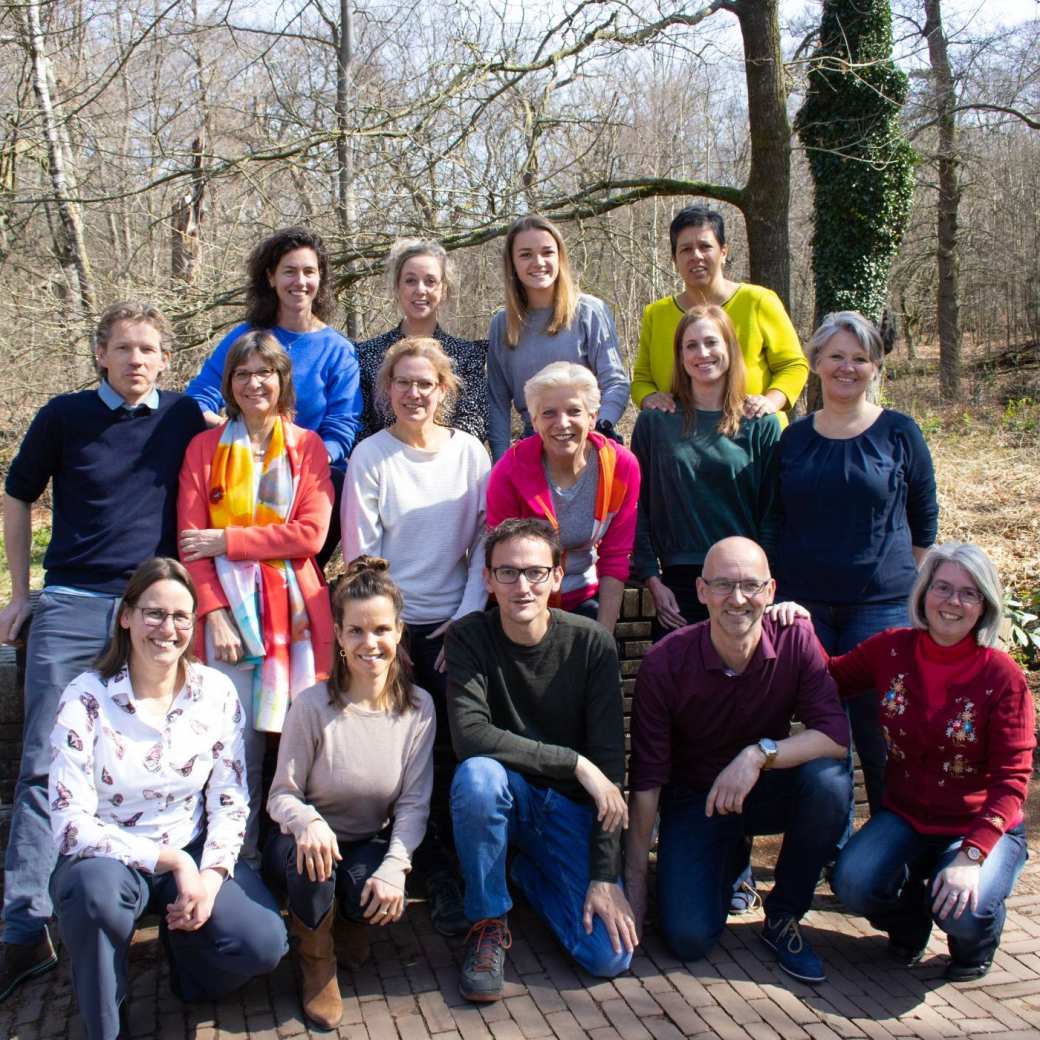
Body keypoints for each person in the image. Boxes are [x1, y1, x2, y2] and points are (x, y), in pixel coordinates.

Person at [0, 301, 206, 1002]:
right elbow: (17, 492)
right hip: (73, 603)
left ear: (165, 359)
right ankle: (23, 928)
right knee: (43, 762)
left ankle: (152, 900)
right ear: (101, 353)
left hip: (154, 610)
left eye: (149, 349)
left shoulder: (184, 417)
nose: (136, 360)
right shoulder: (62, 415)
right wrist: (22, 591)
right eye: (124, 348)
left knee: (163, 748)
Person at [47, 558, 287, 1040]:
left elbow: (230, 799)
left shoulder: (215, 693)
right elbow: (70, 822)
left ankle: (189, 967)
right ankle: (105, 1020)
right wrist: (172, 861)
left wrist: (211, 880)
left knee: (263, 944)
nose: (168, 629)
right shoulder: (85, 698)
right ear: (126, 616)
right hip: (109, 856)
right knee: (93, 897)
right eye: (154, 613)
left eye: (181, 616)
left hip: (192, 845)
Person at [625, 537, 850, 983]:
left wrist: (758, 755)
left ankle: (783, 914)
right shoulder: (663, 663)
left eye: (751, 585)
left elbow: (835, 737)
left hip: (766, 788)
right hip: (697, 799)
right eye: (724, 585)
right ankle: (724, 860)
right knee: (688, 939)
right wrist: (634, 887)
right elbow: (648, 779)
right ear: (701, 591)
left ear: (771, 591)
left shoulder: (795, 639)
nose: (738, 598)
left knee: (829, 783)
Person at [447, 518, 635, 1003]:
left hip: (567, 812)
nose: (521, 585)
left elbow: (610, 771)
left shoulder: (592, 644)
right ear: (487, 579)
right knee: (478, 777)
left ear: (558, 574)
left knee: (608, 957)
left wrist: (603, 875)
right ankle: (488, 921)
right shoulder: (469, 638)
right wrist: (573, 762)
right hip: (507, 798)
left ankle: (525, 874)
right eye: (506, 573)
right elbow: (471, 736)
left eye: (534, 572)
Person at [829, 543, 1034, 982]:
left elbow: (1012, 780)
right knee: (852, 882)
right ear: (923, 594)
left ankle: (976, 941)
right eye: (942, 588)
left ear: (984, 606)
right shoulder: (891, 650)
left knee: (966, 908)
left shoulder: (1003, 677)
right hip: (907, 816)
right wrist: (792, 624)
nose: (952, 602)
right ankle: (909, 922)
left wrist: (971, 857)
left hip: (978, 823)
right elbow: (828, 676)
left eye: (968, 593)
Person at [342, 336, 489, 936]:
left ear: (444, 389)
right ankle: (411, 861)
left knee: (457, 749)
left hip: (458, 624)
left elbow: (486, 538)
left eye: (424, 383)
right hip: (391, 631)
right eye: (401, 383)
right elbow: (362, 554)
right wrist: (390, 633)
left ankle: (455, 868)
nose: (413, 393)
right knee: (400, 749)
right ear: (387, 391)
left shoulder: (471, 454)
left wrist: (470, 615)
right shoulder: (370, 457)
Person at [774, 311, 938, 819]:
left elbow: (924, 517)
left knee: (883, 733)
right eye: (837, 356)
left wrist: (907, 587)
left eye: (860, 358)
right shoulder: (794, 439)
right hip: (808, 608)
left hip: (882, 607)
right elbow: (774, 519)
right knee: (825, 734)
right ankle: (833, 845)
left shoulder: (899, 432)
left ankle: (892, 844)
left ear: (876, 367)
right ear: (816, 362)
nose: (847, 367)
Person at [178, 331, 335, 863]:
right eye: (242, 374)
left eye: (264, 373)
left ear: (282, 381)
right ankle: (232, 858)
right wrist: (213, 613)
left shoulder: (307, 447)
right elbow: (189, 543)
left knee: (295, 736)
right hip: (227, 610)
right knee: (232, 742)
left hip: (295, 617)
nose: (254, 383)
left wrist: (229, 540)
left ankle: (292, 853)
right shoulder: (204, 449)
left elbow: (310, 535)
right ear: (230, 384)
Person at [265, 556, 434, 1029]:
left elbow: (415, 802)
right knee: (314, 864)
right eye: (355, 631)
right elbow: (281, 796)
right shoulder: (311, 705)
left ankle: (346, 918)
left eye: (381, 629)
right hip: (301, 844)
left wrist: (397, 867)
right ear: (338, 636)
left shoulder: (420, 708)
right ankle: (316, 962)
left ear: (399, 631)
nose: (369, 643)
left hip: (363, 841)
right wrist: (307, 821)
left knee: (370, 892)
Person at [185, 226, 361, 564]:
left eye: (309, 272)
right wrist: (229, 432)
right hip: (240, 464)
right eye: (289, 271)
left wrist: (296, 463)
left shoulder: (338, 350)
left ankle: (300, 580)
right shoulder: (245, 337)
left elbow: (341, 429)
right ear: (270, 278)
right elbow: (198, 398)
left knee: (339, 481)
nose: (300, 281)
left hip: (305, 474)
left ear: (320, 279)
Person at [631, 306, 780, 641]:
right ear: (680, 356)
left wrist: (763, 583)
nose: (703, 353)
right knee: (678, 687)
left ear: (729, 348)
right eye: (691, 345)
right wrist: (651, 578)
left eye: (712, 342)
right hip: (679, 580)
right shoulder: (656, 420)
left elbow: (774, 513)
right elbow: (636, 506)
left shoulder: (760, 424)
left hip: (743, 581)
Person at [485, 362, 640, 634]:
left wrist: (603, 637)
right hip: (520, 602)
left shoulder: (620, 467)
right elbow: (502, 561)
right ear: (534, 421)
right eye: (549, 413)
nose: (562, 423)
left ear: (593, 417)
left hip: (584, 600)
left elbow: (616, 556)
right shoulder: (508, 471)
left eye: (574, 411)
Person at [631, 204, 808, 423]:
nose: (696, 255)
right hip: (679, 441)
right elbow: (641, 378)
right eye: (685, 249)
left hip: (753, 436)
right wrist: (649, 397)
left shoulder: (758, 301)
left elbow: (793, 365)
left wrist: (771, 401)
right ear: (675, 259)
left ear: (723, 252)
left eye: (705, 246)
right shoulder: (656, 314)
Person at [487, 215, 630, 460]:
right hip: (533, 443)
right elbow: (497, 401)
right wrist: (501, 463)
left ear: (560, 257)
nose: (538, 262)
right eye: (525, 254)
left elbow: (615, 382)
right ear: (512, 262)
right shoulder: (503, 323)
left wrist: (597, 429)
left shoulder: (589, 311)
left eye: (547, 252)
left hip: (589, 439)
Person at [356, 238, 488, 441]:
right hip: (383, 464)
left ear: (444, 289)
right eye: (410, 280)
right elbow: (360, 425)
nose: (420, 289)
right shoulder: (366, 355)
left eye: (430, 281)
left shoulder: (469, 356)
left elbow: (474, 420)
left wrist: (435, 456)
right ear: (397, 287)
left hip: (450, 466)